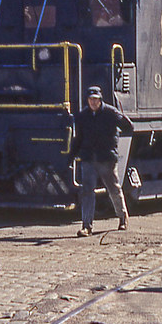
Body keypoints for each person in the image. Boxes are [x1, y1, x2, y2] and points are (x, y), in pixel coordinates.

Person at [70, 85, 134, 236]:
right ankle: (87, 226)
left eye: (96, 99)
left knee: (113, 189)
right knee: (87, 191)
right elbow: (78, 139)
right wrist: (70, 157)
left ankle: (123, 218)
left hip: (106, 159)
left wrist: (113, 141)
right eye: (91, 99)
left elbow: (128, 126)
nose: (93, 102)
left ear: (100, 100)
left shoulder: (111, 113)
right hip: (89, 159)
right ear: (87, 100)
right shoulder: (82, 116)